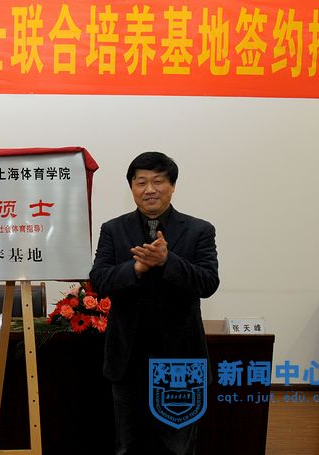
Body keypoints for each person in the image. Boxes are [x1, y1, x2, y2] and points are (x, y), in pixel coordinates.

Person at [89, 151, 219, 455]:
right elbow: (99, 280)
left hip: (180, 359)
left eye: (158, 181)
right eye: (141, 182)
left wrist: (167, 261)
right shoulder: (113, 229)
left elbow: (208, 283)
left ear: (172, 186)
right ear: (132, 187)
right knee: (127, 446)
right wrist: (135, 268)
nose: (150, 189)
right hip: (127, 357)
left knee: (177, 448)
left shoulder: (199, 230)